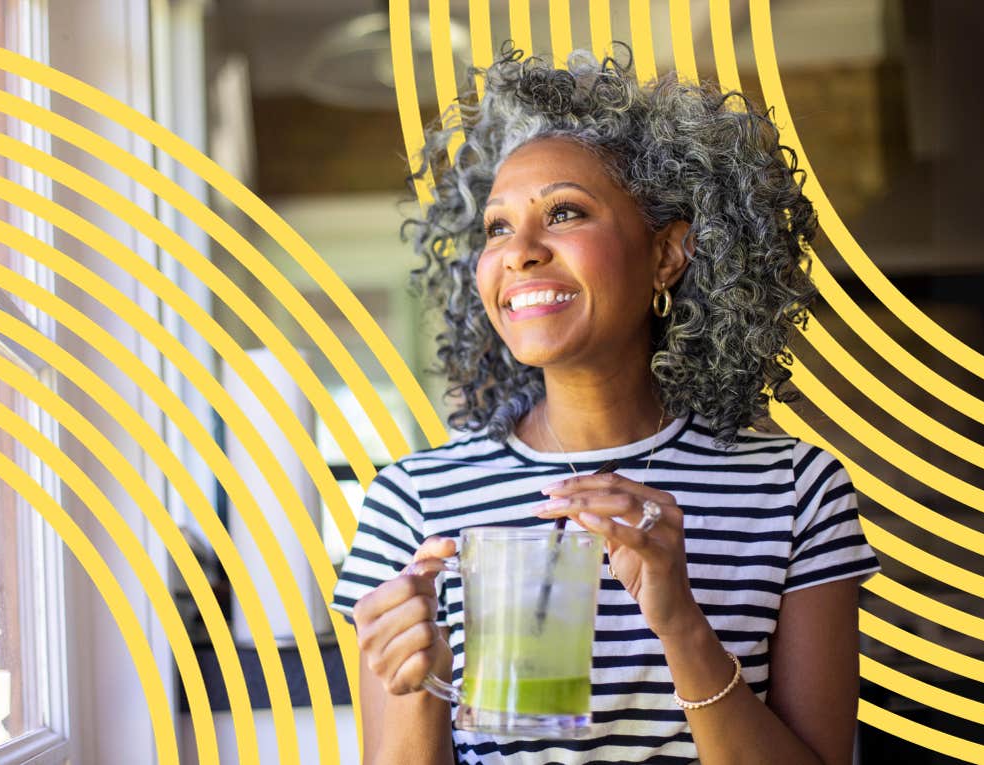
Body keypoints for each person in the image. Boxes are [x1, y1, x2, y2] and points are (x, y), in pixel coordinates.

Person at [330, 44, 881, 765]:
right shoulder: (414, 502)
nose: (519, 251)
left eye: (564, 212)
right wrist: (419, 684)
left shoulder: (795, 494)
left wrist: (681, 620)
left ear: (666, 254)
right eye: (497, 227)